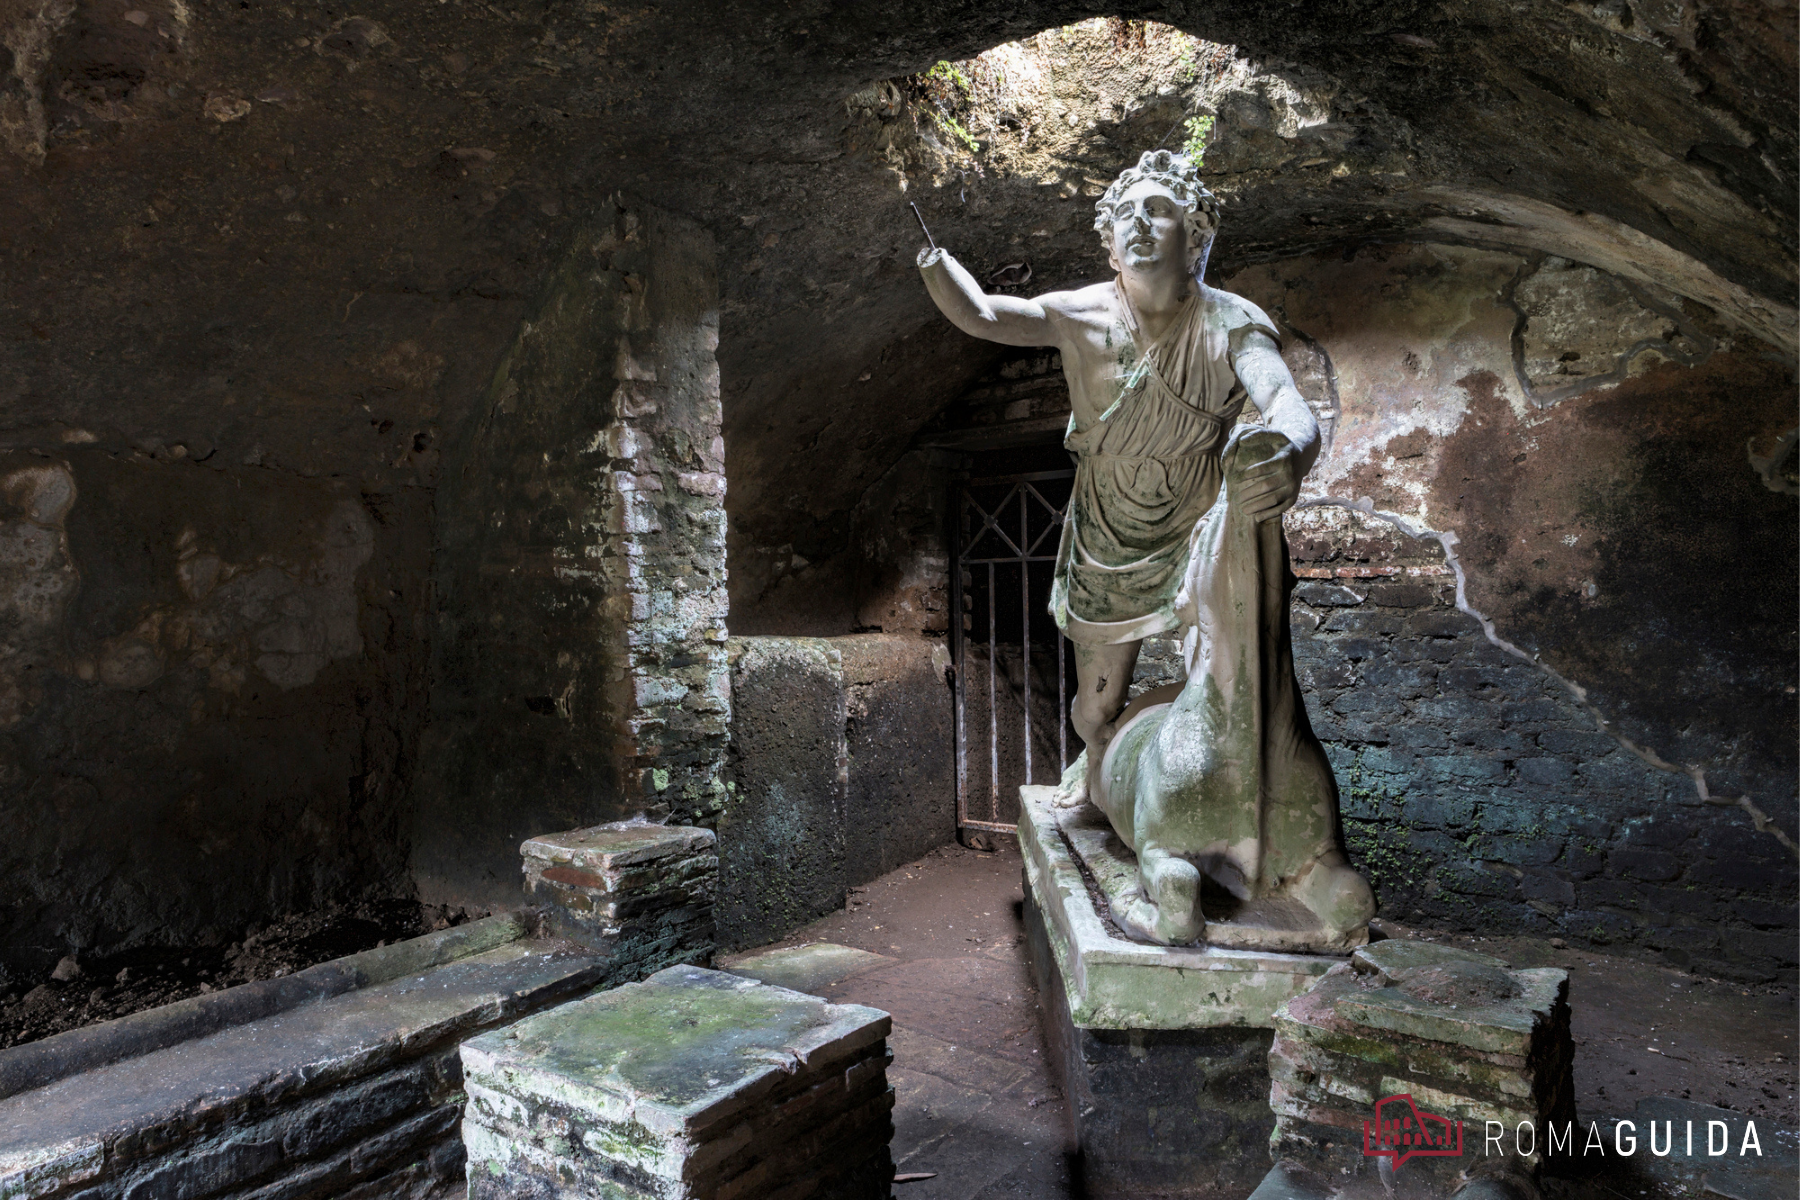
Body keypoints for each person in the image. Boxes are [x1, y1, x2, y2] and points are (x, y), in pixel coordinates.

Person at [917, 148, 1322, 804]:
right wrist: (938, 267)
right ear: (1109, 243)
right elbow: (986, 316)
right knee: (1093, 707)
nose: (1140, 223)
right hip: (1105, 526)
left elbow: (1286, 404)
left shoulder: (1231, 322)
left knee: (1222, 682)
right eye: (1127, 214)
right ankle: (1098, 765)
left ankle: (1213, 805)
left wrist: (1292, 451)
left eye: (1158, 211)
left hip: (1198, 516)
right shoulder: (1081, 315)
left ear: (1195, 233)